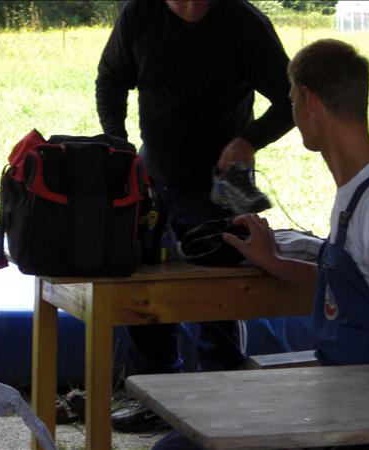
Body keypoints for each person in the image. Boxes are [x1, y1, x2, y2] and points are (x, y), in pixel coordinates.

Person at [151, 38, 369, 450]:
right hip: (353, 398)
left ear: (309, 100)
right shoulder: (357, 195)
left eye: (291, 101)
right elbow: (352, 291)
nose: (294, 115)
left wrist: (342, 427)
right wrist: (274, 261)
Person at [95, 0, 294, 432]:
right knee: (142, 280)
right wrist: (118, 145)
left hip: (223, 178)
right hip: (152, 168)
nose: (190, 6)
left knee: (221, 287)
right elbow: (111, 78)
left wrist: (250, 140)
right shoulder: (139, 15)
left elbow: (291, 97)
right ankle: (156, 397)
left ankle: (221, 400)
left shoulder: (244, 23)